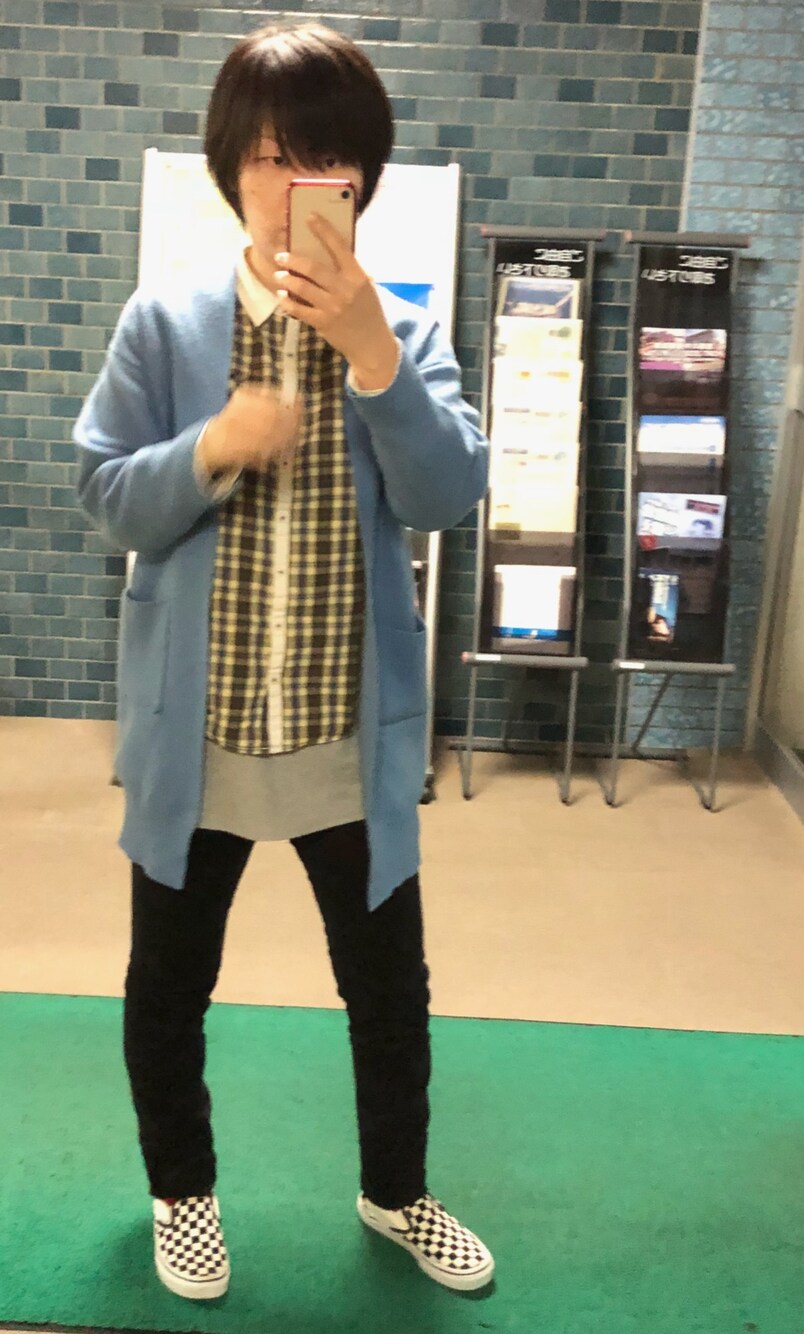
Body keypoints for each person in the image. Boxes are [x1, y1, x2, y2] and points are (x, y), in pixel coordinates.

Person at [74, 22, 492, 1301]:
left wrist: (373, 357)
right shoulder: (166, 324)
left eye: (317, 158)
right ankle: (182, 1195)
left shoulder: (403, 331)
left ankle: (396, 1191)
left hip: (345, 738)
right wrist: (212, 445)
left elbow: (446, 495)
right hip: (195, 735)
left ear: (359, 178)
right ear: (229, 171)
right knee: (167, 984)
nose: (288, 184)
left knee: (389, 992)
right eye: (263, 157)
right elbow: (106, 494)